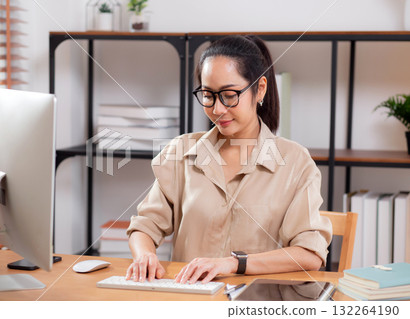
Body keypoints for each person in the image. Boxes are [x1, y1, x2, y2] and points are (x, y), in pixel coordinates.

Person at [125, 35, 332, 284]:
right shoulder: (181, 152)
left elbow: (310, 255)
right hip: (190, 300)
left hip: (255, 302)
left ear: (260, 88)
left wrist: (234, 264)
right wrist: (145, 255)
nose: (218, 109)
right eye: (208, 95)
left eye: (229, 95)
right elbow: (145, 225)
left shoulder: (295, 161)